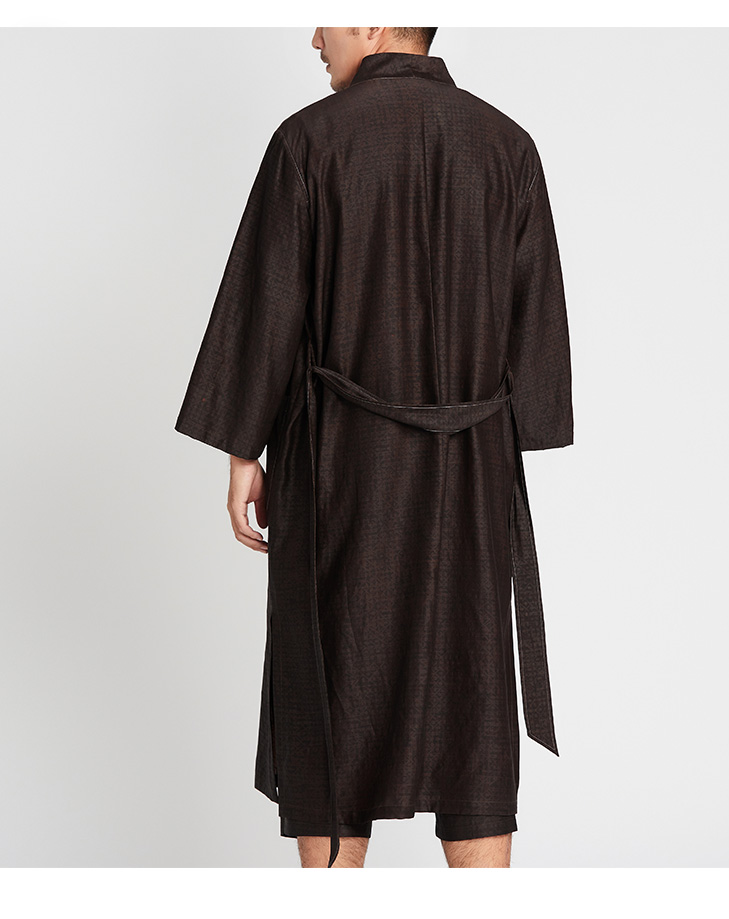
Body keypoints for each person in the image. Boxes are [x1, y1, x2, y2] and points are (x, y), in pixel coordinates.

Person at [174, 26, 573, 868]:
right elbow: (533, 351)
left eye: (327, 14)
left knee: (335, 696)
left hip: (342, 478)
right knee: (471, 708)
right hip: (470, 482)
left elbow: (267, 299)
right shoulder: (509, 146)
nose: (314, 35)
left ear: (375, 19)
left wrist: (243, 450)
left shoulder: (308, 141)